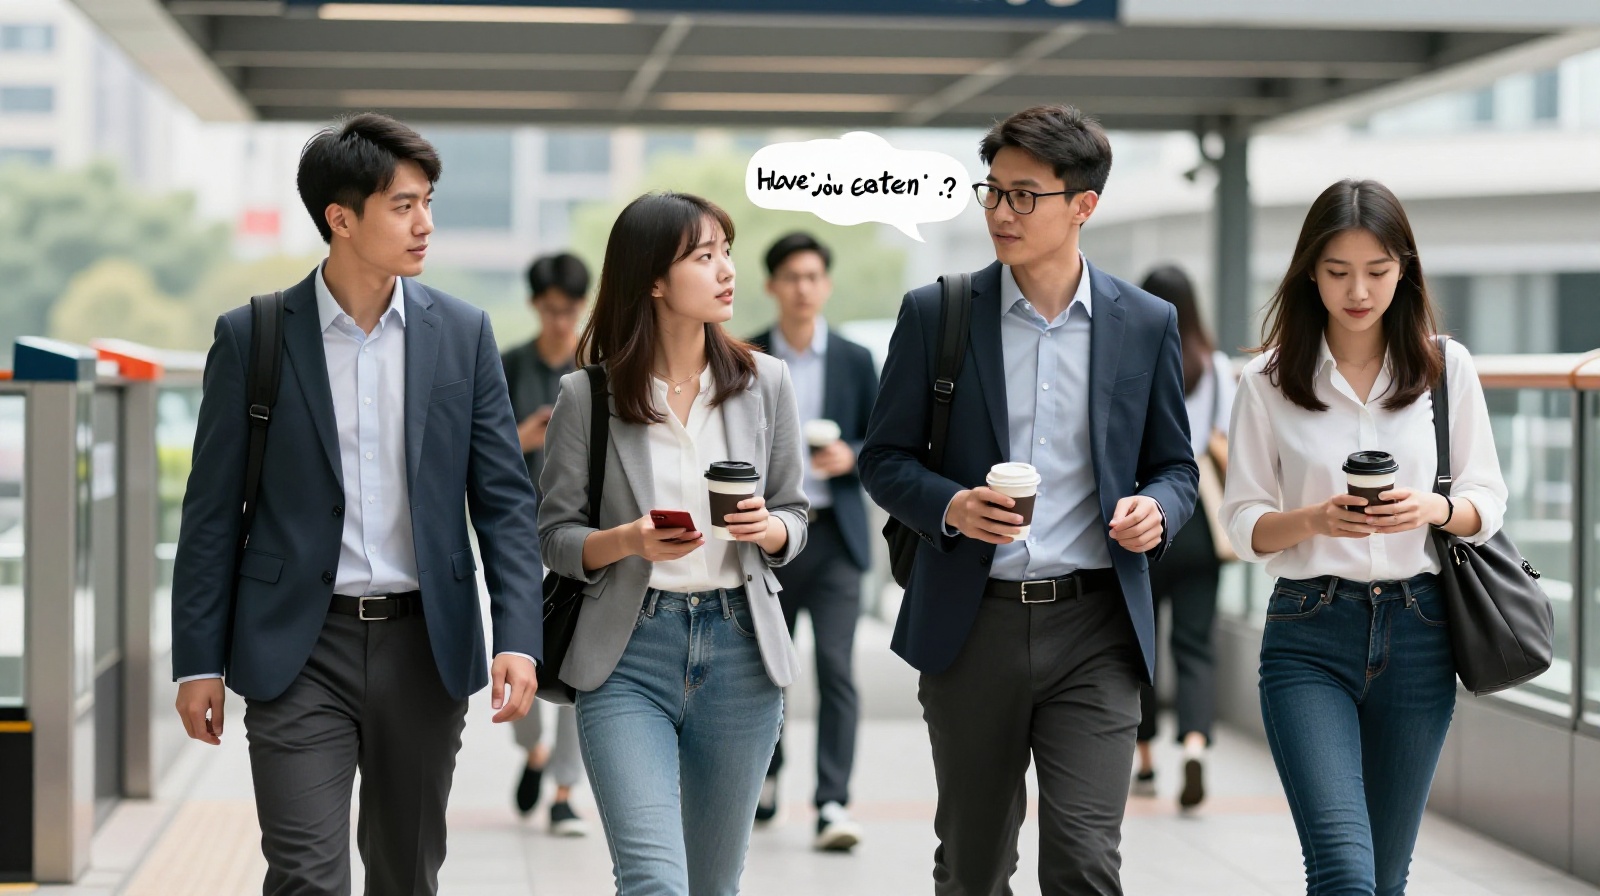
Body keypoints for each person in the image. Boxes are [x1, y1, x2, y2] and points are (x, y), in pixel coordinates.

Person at [170, 113, 543, 896]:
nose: (425, 224)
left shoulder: (463, 334)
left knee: (406, 875)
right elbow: (209, 513)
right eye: (403, 205)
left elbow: (504, 501)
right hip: (297, 650)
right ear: (341, 219)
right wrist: (198, 659)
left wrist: (519, 636)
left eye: (427, 201)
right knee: (306, 875)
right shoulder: (255, 336)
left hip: (424, 644)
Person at [859, 104, 1199, 896]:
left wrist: (1159, 509)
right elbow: (883, 459)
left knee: (1084, 861)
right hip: (973, 622)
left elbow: (1175, 468)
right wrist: (951, 506)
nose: (1001, 213)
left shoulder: (1145, 324)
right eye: (993, 193)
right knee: (974, 867)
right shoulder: (937, 313)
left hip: (1097, 624)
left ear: (1084, 205)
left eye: (1024, 196)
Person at [1219, 179, 1507, 896]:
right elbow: (1243, 522)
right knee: (1344, 872)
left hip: (1421, 630)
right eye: (1339, 271)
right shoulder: (1268, 380)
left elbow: (1486, 499)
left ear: (1403, 268)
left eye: (1377, 271)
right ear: (1310, 273)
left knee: (1383, 876)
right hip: (1309, 631)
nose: (1358, 290)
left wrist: (1430, 512)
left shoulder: (1448, 368)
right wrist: (1315, 518)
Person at [537, 191, 809, 896]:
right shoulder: (587, 397)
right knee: (656, 882)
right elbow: (555, 538)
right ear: (654, 279)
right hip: (628, 653)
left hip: (742, 652)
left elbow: (795, 514)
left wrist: (770, 528)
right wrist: (626, 540)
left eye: (727, 253)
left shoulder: (765, 383)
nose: (727, 271)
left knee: (712, 887)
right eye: (703, 256)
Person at [748, 232, 878, 850]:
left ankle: (832, 803)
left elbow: (885, 445)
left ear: (825, 285)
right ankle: (765, 777)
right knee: (764, 671)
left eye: (813, 276)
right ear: (773, 285)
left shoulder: (855, 359)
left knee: (835, 668)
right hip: (765, 541)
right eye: (791, 277)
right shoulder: (744, 355)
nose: (803, 287)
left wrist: (850, 455)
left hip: (834, 541)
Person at [1131, 264, 1232, 810]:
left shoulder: (1133, 357)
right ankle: (1194, 746)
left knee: (1140, 646)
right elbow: (1227, 440)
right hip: (1200, 520)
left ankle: (1144, 760)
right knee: (1195, 645)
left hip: (1144, 515)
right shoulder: (1214, 367)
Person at [501, 251, 592, 836]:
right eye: (552, 309)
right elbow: (471, 458)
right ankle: (533, 749)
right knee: (515, 660)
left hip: (583, 539)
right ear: (536, 305)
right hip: (515, 538)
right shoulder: (507, 366)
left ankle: (564, 791)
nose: (562, 321)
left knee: (579, 664)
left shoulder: (596, 367)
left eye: (571, 310)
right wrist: (522, 438)